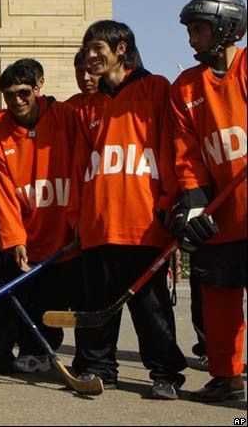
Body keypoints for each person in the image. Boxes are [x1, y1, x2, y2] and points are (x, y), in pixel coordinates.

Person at [70, 20, 187, 400]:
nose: (90, 56)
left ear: (122, 49)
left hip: (144, 220)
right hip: (98, 223)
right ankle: (99, 368)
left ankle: (165, 372)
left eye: (97, 48)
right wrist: (78, 217)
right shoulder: (89, 105)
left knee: (150, 307)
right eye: (86, 49)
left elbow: (172, 149)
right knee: (96, 305)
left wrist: (172, 201)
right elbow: (79, 167)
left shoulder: (156, 89)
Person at [171, 0, 246, 402]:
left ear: (226, 29)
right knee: (217, 297)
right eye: (189, 31)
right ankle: (226, 376)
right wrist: (194, 204)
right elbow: (188, 155)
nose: (191, 40)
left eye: (198, 29)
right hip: (221, 211)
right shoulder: (185, 87)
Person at [0, 63, 82, 375]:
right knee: (31, 297)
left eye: (23, 93)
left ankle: (90, 360)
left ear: (39, 87)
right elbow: (3, 195)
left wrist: (82, 218)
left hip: (68, 232)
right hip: (31, 234)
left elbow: (83, 167)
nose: (17, 101)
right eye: (9, 95)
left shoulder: (66, 117)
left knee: (72, 300)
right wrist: (14, 238)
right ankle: (34, 350)